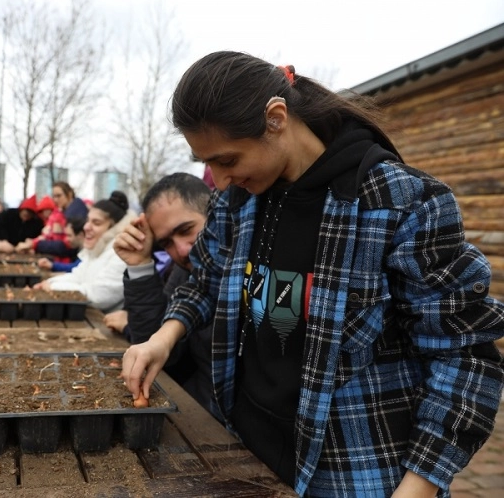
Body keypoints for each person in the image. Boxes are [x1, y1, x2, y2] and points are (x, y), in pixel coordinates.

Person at [121, 52, 504, 497]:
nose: (220, 180)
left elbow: (464, 356)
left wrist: (418, 486)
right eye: (209, 165)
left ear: (276, 118)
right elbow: (206, 280)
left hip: (356, 471)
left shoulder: (398, 202)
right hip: (244, 448)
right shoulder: (238, 202)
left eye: (227, 159)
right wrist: (163, 338)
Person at [111, 172, 217, 419]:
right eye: (166, 243)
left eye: (186, 230)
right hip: (199, 415)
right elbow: (162, 353)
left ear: (214, 214)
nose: (181, 250)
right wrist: (139, 266)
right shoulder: (184, 271)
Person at [34, 191, 135, 312]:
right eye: (88, 221)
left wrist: (53, 287)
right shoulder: (97, 251)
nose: (86, 227)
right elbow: (78, 276)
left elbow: (99, 296)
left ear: (114, 228)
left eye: (96, 223)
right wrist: (48, 283)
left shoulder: (122, 255)